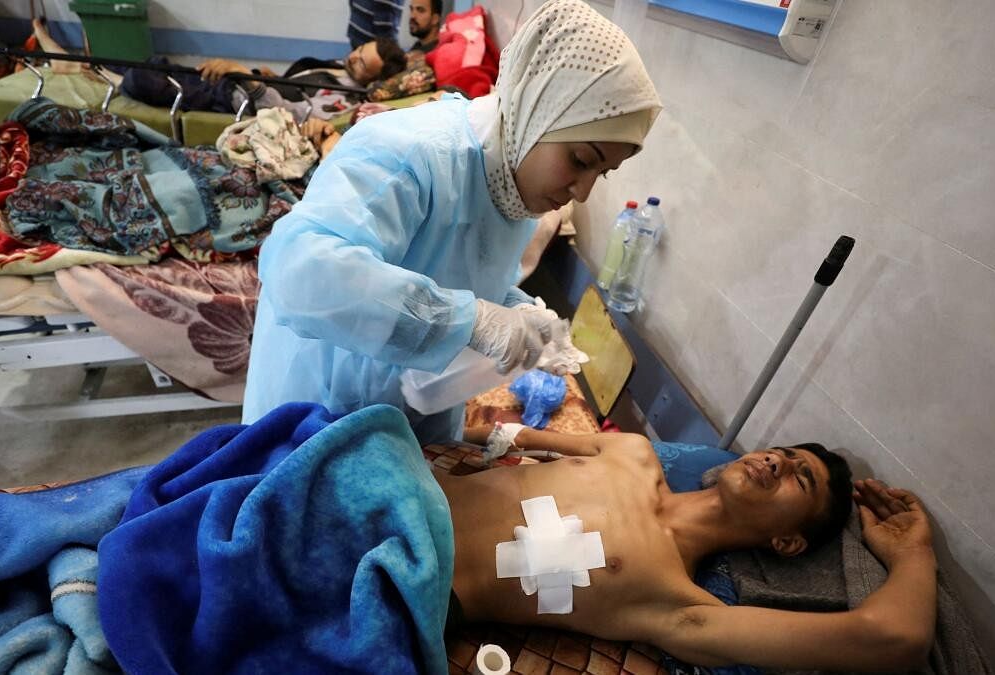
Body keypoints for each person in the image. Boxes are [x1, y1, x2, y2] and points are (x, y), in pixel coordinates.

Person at [243, 0, 663, 443]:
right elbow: (304, 274)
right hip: (317, 412)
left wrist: (513, 308)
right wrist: (473, 321)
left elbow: (460, 273)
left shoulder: (511, 182)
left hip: (404, 415)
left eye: (602, 173)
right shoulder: (408, 155)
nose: (582, 191)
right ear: (538, 109)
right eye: (580, 160)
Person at [445, 425, 937, 671]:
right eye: (783, 454)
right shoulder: (630, 450)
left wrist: (912, 554)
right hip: (406, 486)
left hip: (424, 582)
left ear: (787, 542)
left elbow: (893, 638)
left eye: (799, 478)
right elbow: (506, 436)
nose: (775, 462)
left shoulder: (679, 606)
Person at [196, 37, 408, 121]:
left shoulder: (345, 101)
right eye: (359, 50)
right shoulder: (339, 66)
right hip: (230, 86)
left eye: (362, 63)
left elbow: (287, 115)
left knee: (164, 80)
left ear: (373, 81)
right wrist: (277, 79)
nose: (353, 57)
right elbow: (302, 88)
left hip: (228, 100)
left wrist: (250, 80)